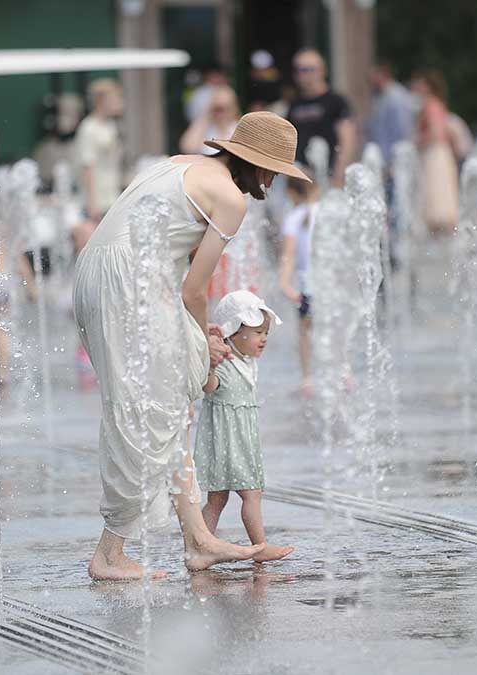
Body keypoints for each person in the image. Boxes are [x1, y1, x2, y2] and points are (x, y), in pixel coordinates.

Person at [72, 111, 311, 580]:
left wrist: (195, 338)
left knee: (163, 408)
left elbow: (171, 268)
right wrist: (202, 346)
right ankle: (110, 553)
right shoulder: (230, 199)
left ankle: (199, 540)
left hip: (98, 273)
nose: (272, 185)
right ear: (261, 168)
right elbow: (194, 290)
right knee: (147, 410)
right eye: (274, 174)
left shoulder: (182, 164)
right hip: (130, 285)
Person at [196, 290, 295, 563]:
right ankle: (259, 547)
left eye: (266, 332)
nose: (264, 338)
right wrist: (208, 366)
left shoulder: (244, 362)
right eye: (257, 332)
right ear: (233, 332)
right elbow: (208, 386)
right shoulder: (224, 364)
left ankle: (200, 547)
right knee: (251, 494)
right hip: (230, 444)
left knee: (217, 499)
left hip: (236, 442)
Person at [287, 48, 357, 187]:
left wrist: (337, 176)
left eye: (309, 69)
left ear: (322, 71)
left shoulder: (336, 101)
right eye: (299, 70)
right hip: (302, 179)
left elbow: (348, 141)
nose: (304, 75)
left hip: (328, 177)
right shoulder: (294, 104)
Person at [278, 172, 318, 395]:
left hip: (307, 283)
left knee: (305, 331)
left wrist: (284, 282)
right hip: (328, 281)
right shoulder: (325, 211)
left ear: (292, 192)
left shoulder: (293, 218)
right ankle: (344, 372)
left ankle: (307, 378)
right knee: (335, 325)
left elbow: (289, 255)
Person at [415, 71, 460, 237]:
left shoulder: (430, 104)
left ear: (428, 86)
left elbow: (437, 132)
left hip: (435, 153)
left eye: (420, 83)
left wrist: (417, 141)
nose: (417, 86)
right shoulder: (437, 103)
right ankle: (442, 238)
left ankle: (439, 236)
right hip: (439, 152)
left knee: (436, 192)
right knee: (440, 192)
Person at [74, 78, 125, 223]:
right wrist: (92, 204)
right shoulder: (88, 128)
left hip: (112, 198)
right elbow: (87, 166)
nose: (120, 102)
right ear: (102, 100)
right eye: (116, 98)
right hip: (97, 202)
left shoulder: (111, 126)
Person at [365, 62, 416, 167]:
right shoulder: (379, 96)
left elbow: (403, 129)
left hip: (395, 156)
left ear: (382, 75)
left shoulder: (397, 97)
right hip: (383, 156)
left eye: (372, 76)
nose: (369, 81)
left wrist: (395, 160)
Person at [179, 86, 240, 155]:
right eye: (216, 109)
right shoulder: (205, 127)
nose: (220, 114)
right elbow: (188, 148)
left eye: (224, 109)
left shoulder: (237, 128)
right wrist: (205, 116)